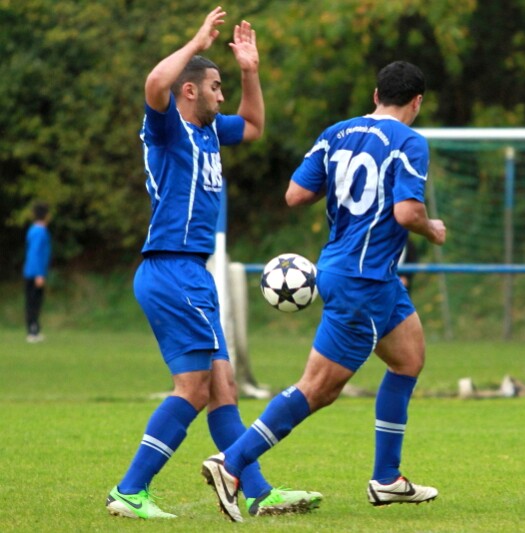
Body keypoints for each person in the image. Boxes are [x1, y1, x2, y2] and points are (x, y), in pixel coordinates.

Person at [202, 60, 447, 523]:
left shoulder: (336, 133)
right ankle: (231, 463)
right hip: (362, 281)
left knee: (409, 358)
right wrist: (432, 228)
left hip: (358, 273)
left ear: (375, 95)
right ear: (417, 102)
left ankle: (387, 478)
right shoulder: (409, 141)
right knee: (317, 389)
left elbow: (295, 194)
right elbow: (407, 213)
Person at [106, 7, 320, 520]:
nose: (222, 97)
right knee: (194, 389)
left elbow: (254, 125)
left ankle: (259, 492)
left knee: (223, 389)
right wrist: (196, 41)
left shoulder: (209, 131)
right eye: (216, 87)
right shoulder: (167, 129)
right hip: (172, 270)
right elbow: (154, 82)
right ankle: (130, 491)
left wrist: (249, 71)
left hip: (190, 274)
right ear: (190, 91)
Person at [23, 202, 51, 343]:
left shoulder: (34, 230)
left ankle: (35, 330)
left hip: (31, 271)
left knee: (34, 301)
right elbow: (35, 254)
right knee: (33, 302)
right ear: (45, 215)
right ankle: (32, 331)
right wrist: (39, 274)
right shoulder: (39, 232)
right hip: (34, 273)